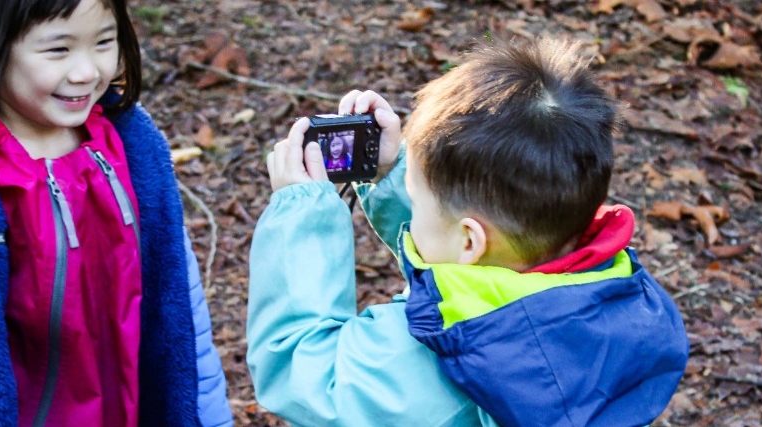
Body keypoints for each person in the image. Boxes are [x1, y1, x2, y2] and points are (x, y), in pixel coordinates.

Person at [248, 37, 689, 427]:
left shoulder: (426, 361)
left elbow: (299, 370)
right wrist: (392, 173)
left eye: (415, 200)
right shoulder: (617, 296)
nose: (414, 206)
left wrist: (304, 217)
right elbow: (468, 261)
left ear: (469, 241)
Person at [0, 0, 232, 425]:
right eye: (58, 50)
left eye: (104, 42)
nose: (87, 71)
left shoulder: (134, 153)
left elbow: (182, 323)